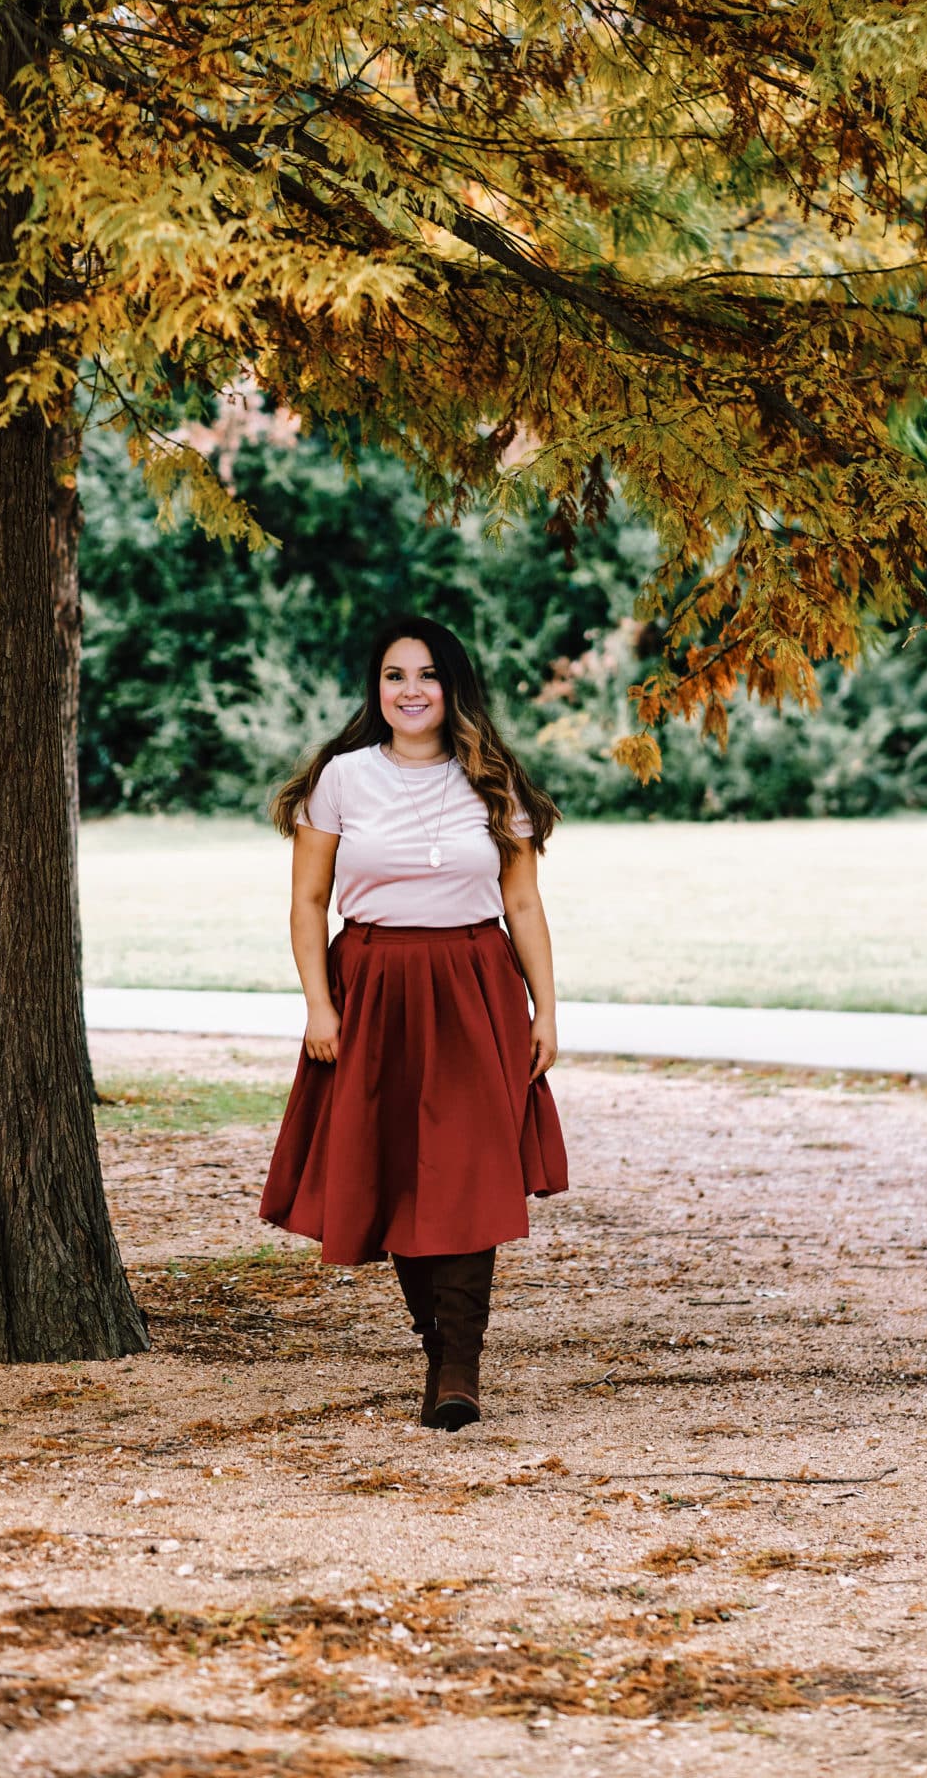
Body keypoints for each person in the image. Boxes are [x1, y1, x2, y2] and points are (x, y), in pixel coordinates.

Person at [261, 613, 568, 1430]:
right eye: (395, 675)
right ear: (377, 688)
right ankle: (437, 1352)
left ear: (452, 685)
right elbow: (306, 901)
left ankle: (460, 1367)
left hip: (474, 986)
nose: (410, 690)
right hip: (370, 986)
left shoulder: (492, 779)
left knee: (467, 1170)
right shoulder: (342, 778)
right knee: (400, 1168)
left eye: (426, 674)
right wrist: (318, 1005)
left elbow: (523, 903)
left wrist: (546, 1009)